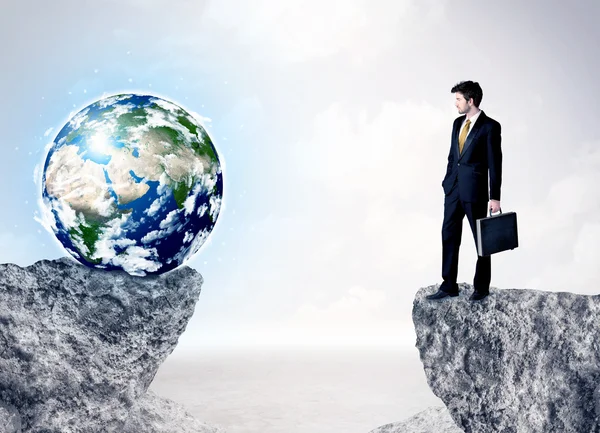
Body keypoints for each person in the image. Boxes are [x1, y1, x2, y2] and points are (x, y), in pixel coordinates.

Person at [427, 80, 502, 302]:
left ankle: (481, 287)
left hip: (475, 191)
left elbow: (495, 163)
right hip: (453, 190)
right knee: (449, 235)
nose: (455, 104)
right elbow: (453, 157)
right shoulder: (456, 123)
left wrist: (494, 196)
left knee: (481, 239)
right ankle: (449, 284)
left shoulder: (490, 127)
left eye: (458, 99)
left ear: (471, 100)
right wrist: (447, 182)